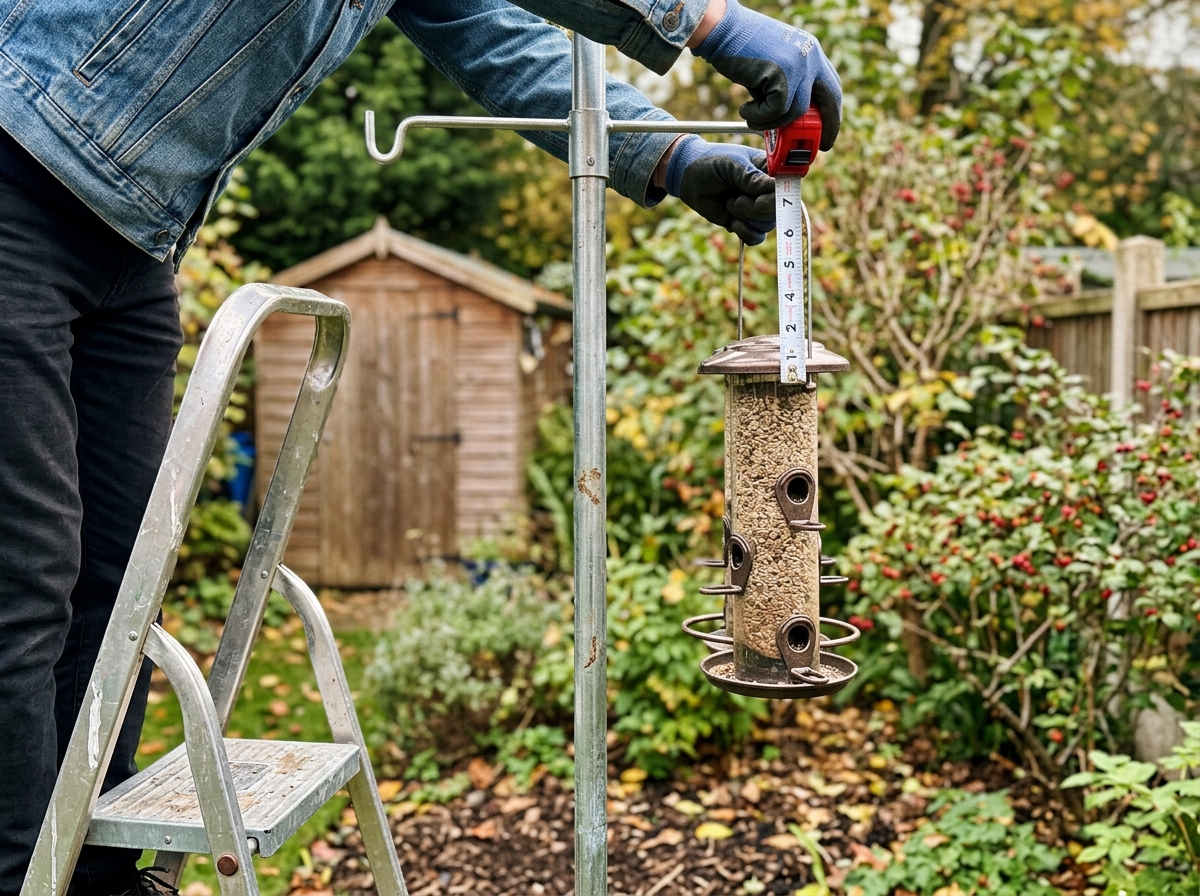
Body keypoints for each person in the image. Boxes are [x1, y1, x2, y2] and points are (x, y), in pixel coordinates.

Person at [0, 0, 841, 893]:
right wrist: (706, 18)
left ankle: (89, 874)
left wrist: (668, 154)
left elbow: (493, 34)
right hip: (20, 158)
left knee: (120, 583)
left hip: (135, 236)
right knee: (24, 579)